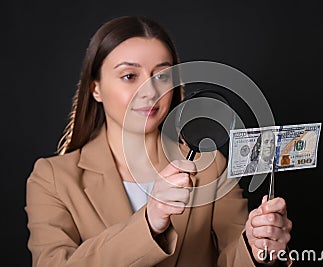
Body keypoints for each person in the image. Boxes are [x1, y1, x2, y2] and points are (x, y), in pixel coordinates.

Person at [25, 16, 292, 266]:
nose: (149, 91)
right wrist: (150, 222)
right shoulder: (52, 179)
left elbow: (234, 257)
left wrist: (257, 248)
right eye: (129, 76)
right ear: (95, 88)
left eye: (162, 76)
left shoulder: (210, 166)